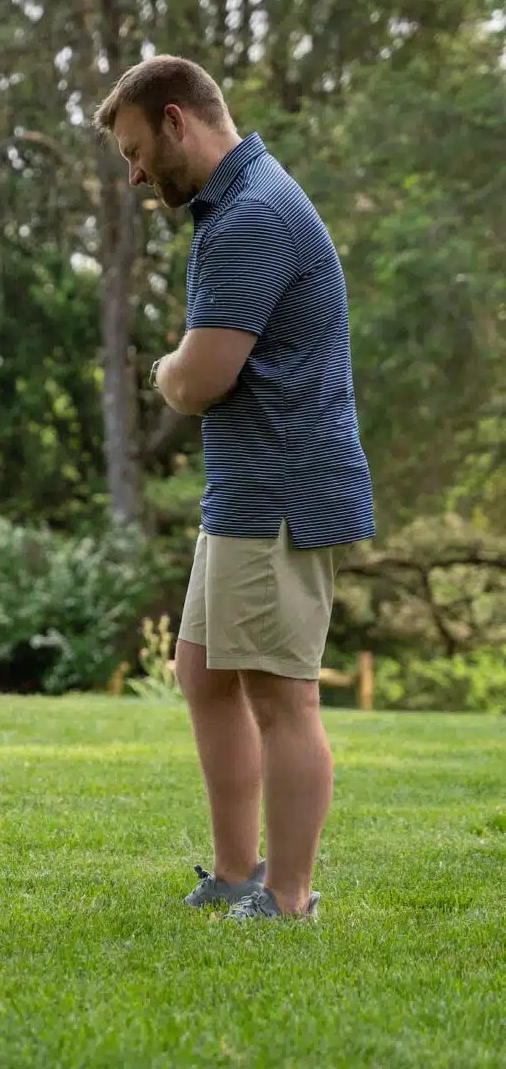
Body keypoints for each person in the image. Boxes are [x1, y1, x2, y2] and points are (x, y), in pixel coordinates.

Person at [93, 57, 375, 919]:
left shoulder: (251, 216)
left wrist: (169, 371)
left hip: (283, 486)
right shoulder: (240, 204)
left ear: (177, 119)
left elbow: (201, 379)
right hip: (248, 487)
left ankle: (289, 898)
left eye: (138, 151)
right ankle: (237, 872)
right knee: (204, 670)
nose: (137, 175)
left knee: (280, 694)